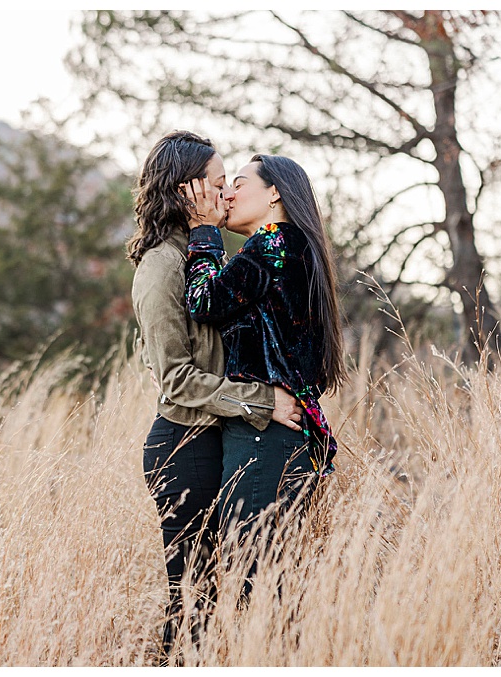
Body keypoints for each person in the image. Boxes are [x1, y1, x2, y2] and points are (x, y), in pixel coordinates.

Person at [126, 131, 304, 662]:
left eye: (233, 183)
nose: (226, 193)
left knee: (238, 587)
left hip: (219, 439)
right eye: (218, 182)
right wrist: (262, 400)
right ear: (186, 189)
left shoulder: (206, 253)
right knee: (193, 600)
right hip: (183, 446)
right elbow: (176, 379)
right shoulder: (161, 266)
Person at [181, 154, 346, 542]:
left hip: (264, 434)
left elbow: (203, 301)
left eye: (238, 184)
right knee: (271, 572)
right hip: (284, 433)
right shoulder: (294, 247)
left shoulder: (272, 242)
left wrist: (204, 232)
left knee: (251, 571)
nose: (228, 195)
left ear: (274, 192)